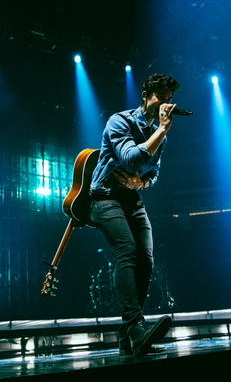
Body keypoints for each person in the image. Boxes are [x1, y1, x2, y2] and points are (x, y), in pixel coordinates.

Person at [89, 73, 179, 357]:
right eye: (160, 98)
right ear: (144, 96)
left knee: (147, 259)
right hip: (104, 197)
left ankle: (127, 334)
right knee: (126, 250)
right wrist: (162, 130)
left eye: (169, 100)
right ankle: (136, 326)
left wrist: (142, 183)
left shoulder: (158, 136)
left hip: (131, 199)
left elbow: (153, 173)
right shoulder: (120, 121)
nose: (165, 104)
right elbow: (130, 159)